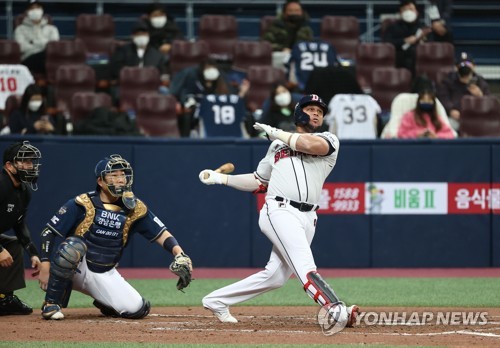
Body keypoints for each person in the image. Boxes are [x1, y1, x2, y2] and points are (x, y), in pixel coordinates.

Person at [198, 94, 359, 326]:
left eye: (320, 111)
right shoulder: (276, 146)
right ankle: (336, 310)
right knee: (305, 266)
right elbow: (258, 180)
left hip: (309, 216)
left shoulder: (328, 139)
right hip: (279, 210)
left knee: (275, 277)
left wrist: (276, 132)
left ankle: (216, 300)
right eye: (311, 109)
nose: (316, 114)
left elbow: (309, 145)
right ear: (298, 112)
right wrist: (222, 179)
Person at [38, 154, 192, 320]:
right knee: (72, 247)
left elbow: (161, 233)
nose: (120, 179)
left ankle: (104, 300)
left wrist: (179, 254)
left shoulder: (135, 208)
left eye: (123, 174)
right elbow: (48, 231)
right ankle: (51, 303)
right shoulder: (83, 202)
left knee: (137, 309)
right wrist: (45, 265)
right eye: (113, 175)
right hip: (75, 267)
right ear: (100, 181)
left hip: (104, 270)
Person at [0, 141, 42, 316]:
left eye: (31, 161)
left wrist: (32, 252)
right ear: (9, 166)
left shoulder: (24, 191)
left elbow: (19, 223)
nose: (30, 166)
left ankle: (4, 299)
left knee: (14, 245)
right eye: (24, 161)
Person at [170, 58, 249, 137]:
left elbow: (232, 100)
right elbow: (175, 93)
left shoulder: (221, 78)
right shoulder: (189, 75)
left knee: (248, 116)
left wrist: (242, 92)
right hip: (195, 110)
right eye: (208, 68)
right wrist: (178, 102)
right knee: (186, 116)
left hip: (215, 113)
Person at [382, 0, 451, 77]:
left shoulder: (424, 29)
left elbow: (431, 44)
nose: (408, 12)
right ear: (400, 13)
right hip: (399, 61)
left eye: (411, 9)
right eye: (405, 10)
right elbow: (386, 44)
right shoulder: (392, 28)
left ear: (417, 12)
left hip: (421, 62)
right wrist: (404, 41)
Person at [436, 52, 490, 131]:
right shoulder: (448, 81)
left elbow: (490, 102)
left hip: (477, 118)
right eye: (461, 64)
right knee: (447, 126)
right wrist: (451, 110)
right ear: (456, 68)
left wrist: (480, 96)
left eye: (468, 63)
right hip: (456, 118)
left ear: (474, 66)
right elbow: (443, 98)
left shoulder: (480, 82)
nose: (464, 66)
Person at [262, 0, 314, 72]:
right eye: (291, 11)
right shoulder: (276, 27)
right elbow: (266, 44)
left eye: (297, 10)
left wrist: (295, 52)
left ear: (302, 12)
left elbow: (310, 46)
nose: (294, 13)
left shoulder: (306, 29)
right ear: (285, 13)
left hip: (300, 58)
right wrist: (282, 49)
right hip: (280, 56)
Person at [14, 0, 60, 75]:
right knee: (47, 58)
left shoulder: (52, 29)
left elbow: (54, 47)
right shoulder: (20, 29)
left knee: (50, 58)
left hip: (47, 57)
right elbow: (22, 47)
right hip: (28, 58)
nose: (35, 11)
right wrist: (44, 45)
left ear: (42, 10)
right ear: (27, 12)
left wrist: (33, 42)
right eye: (32, 8)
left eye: (38, 7)